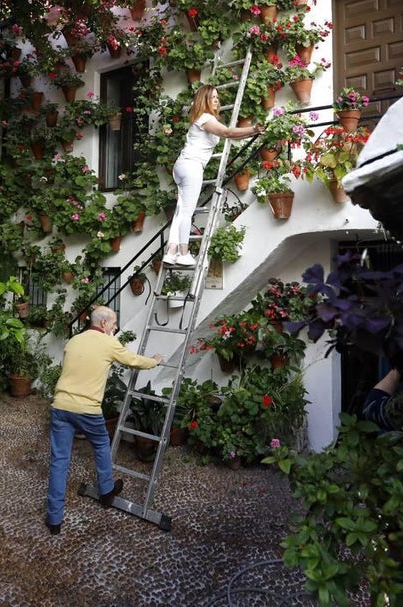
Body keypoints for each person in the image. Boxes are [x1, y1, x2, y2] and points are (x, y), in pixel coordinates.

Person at [45, 305, 163, 535]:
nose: (116, 327)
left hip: (60, 406)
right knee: (100, 445)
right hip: (87, 409)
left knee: (59, 461)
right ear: (103, 324)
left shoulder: (74, 340)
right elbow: (132, 360)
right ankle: (107, 492)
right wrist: (155, 361)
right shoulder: (108, 343)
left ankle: (54, 520)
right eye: (114, 323)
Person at [163, 84, 262, 266]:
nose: (217, 100)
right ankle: (183, 253)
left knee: (181, 210)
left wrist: (251, 133)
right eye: (212, 97)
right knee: (186, 211)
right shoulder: (206, 118)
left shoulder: (202, 118)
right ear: (204, 100)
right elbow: (227, 132)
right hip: (192, 166)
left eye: (217, 97)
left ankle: (171, 252)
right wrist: (253, 129)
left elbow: (229, 135)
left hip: (183, 165)